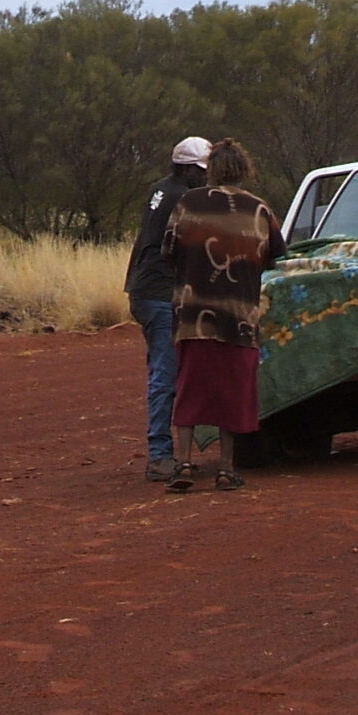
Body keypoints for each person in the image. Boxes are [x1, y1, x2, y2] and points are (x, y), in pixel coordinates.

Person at [165, 138, 286, 493]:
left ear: (212, 169)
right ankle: (225, 468)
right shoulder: (260, 210)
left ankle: (184, 462)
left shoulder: (188, 204)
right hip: (240, 318)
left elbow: (168, 251)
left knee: (189, 389)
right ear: (244, 169)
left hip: (193, 316)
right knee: (231, 394)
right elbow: (275, 255)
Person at [125, 136, 212, 480]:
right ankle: (160, 455)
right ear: (189, 169)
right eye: (202, 172)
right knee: (165, 374)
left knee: (163, 372)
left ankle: (164, 451)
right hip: (161, 292)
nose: (206, 178)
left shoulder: (159, 189)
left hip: (143, 288)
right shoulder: (184, 197)